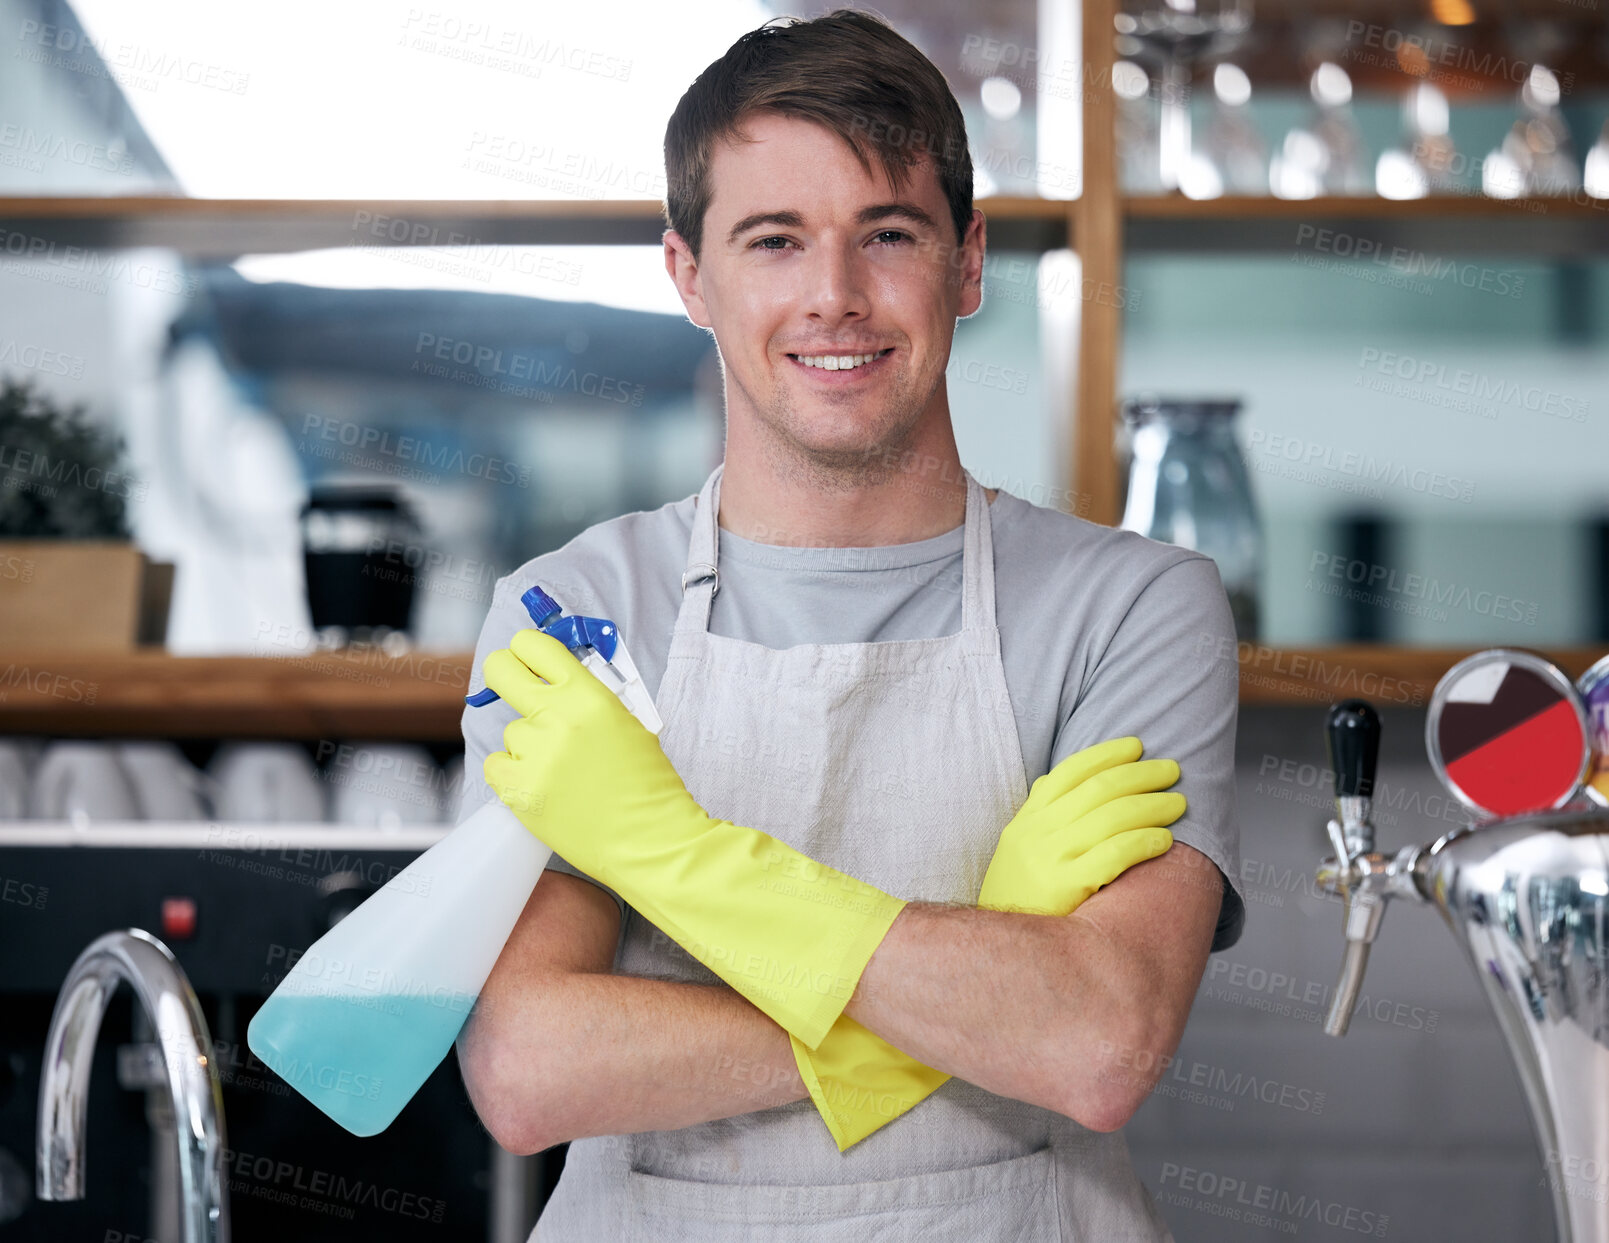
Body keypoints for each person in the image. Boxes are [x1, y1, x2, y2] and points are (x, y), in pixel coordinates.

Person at [454, 10, 1244, 1239]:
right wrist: (986, 986)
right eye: (773, 240)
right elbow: (528, 1066)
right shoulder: (576, 612)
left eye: (888, 234)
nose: (834, 297)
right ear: (687, 276)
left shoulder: (1130, 608)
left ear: (968, 263)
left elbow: (1097, 1044)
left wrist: (670, 853)